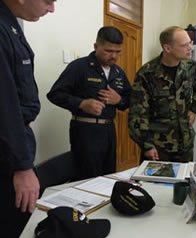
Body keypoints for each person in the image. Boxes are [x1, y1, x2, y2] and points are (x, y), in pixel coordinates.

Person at [0, 0, 55, 238]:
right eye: (48, 1)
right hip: (8, 154)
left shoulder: (11, 25)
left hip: (15, 142)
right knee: (13, 232)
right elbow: (5, 106)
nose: (51, 8)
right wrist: (22, 167)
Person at [47, 26, 132, 180]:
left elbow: (130, 100)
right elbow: (55, 94)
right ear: (96, 46)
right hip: (85, 130)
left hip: (109, 130)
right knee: (86, 178)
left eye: (118, 52)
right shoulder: (79, 67)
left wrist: (119, 100)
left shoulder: (118, 72)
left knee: (109, 176)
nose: (114, 56)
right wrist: (81, 103)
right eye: (108, 51)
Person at [129, 26, 196, 163]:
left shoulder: (191, 68)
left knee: (183, 183)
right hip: (158, 148)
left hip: (185, 144)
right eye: (185, 45)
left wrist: (194, 109)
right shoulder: (147, 74)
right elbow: (137, 115)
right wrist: (146, 145)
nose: (190, 48)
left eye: (190, 43)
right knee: (154, 184)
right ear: (168, 48)